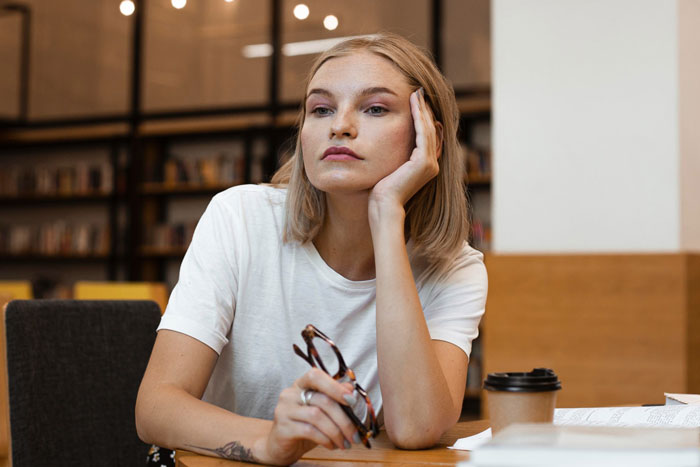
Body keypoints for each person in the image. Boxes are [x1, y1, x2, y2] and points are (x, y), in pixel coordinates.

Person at [136, 32, 487, 466]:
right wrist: (270, 441)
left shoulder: (457, 269)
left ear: (427, 138)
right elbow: (155, 407)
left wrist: (386, 215)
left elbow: (415, 428)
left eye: (375, 108)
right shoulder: (240, 218)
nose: (339, 125)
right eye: (320, 109)